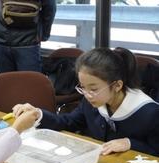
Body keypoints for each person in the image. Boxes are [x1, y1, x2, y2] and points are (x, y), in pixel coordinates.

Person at [13, 47, 159, 156]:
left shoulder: (149, 112)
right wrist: (37, 114)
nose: (87, 95)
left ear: (117, 86)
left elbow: (156, 150)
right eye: (83, 87)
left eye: (94, 89)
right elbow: (68, 122)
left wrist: (130, 143)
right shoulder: (91, 102)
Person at [0, 0, 56, 73]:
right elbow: (50, 8)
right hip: (29, 40)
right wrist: (43, 34)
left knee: (7, 82)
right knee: (31, 83)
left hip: (2, 40)